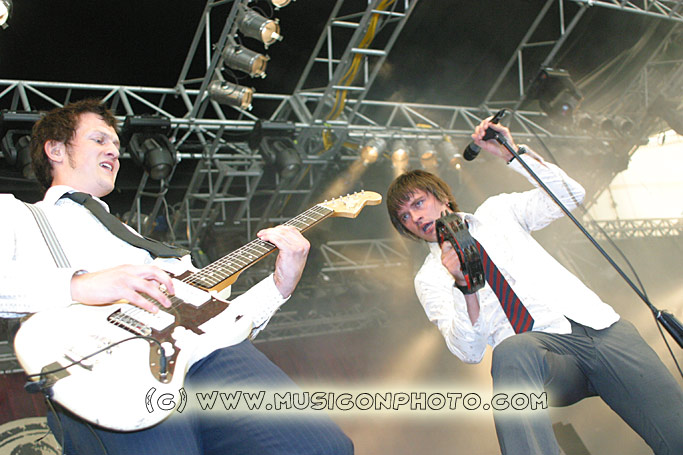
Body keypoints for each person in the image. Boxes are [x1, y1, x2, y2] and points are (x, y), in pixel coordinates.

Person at [0, 99, 353, 455]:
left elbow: (218, 318)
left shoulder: (139, 243)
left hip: (208, 356)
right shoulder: (15, 213)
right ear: (56, 150)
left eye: (116, 145)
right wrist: (81, 285)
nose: (114, 152)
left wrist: (280, 285)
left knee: (325, 448)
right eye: (99, 140)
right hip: (111, 374)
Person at [386, 116, 683, 454]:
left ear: (441, 197)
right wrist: (464, 288)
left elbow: (571, 195)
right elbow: (468, 352)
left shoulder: (497, 211)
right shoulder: (430, 277)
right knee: (511, 351)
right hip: (546, 356)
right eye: (405, 217)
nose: (416, 218)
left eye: (418, 203)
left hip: (600, 328)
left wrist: (512, 155)